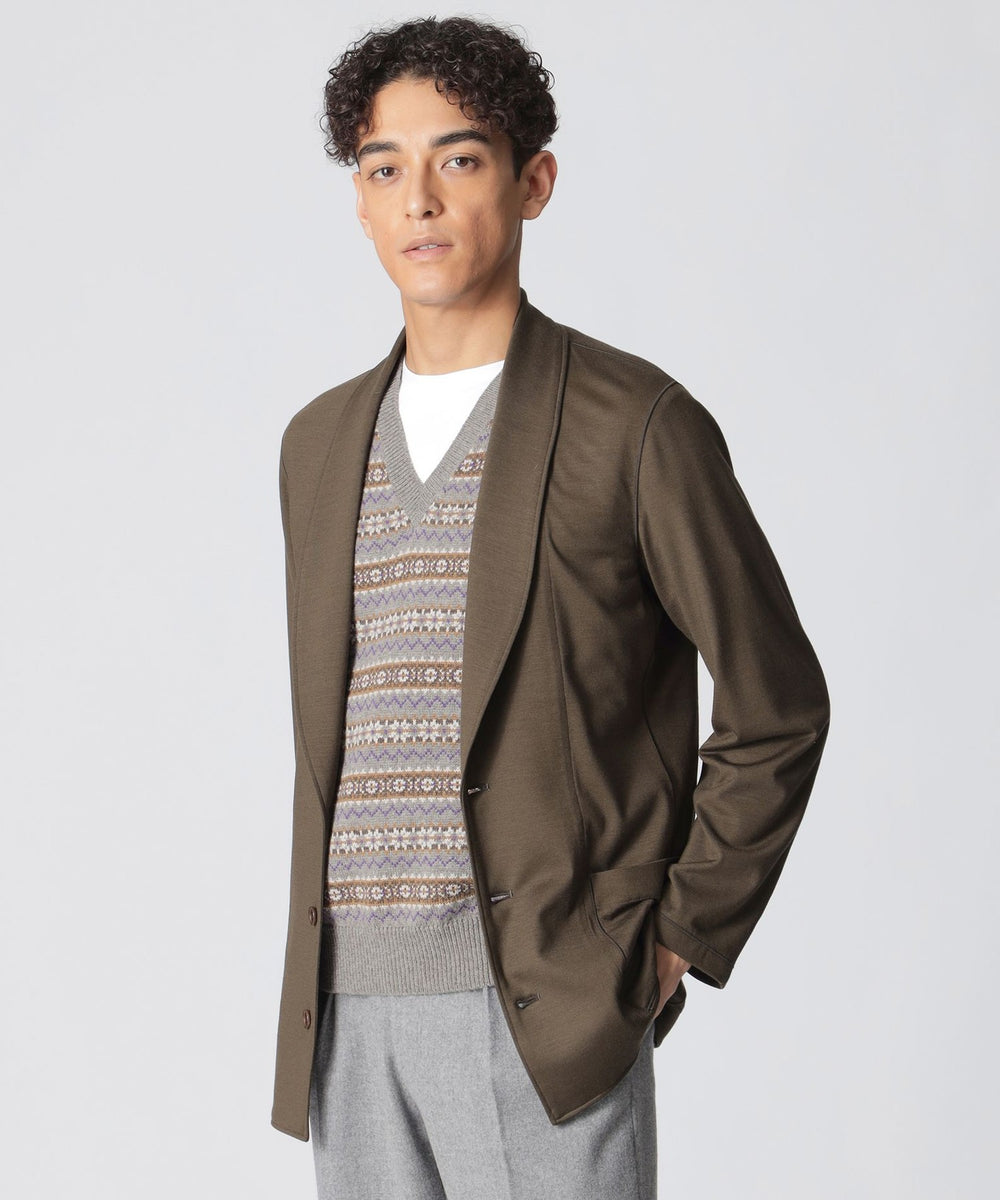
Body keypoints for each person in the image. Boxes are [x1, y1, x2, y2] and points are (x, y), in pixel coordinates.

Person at [270, 15, 831, 1200]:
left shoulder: (634, 425)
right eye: (384, 168)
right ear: (360, 203)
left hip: (542, 1009)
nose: (420, 199)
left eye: (459, 159)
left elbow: (778, 701)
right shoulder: (317, 445)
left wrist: (674, 934)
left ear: (533, 183)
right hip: (346, 1017)